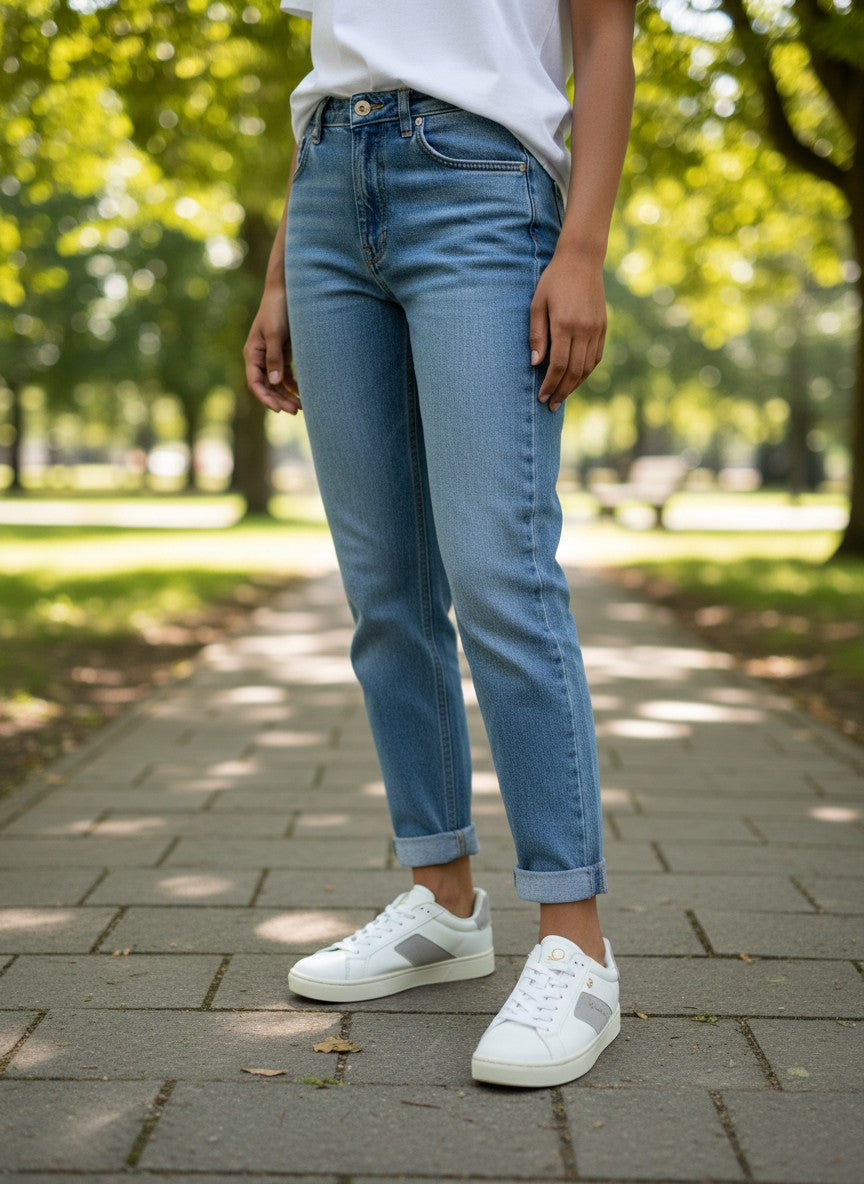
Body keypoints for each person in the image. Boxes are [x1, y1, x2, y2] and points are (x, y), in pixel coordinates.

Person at [243, 0, 636, 1088]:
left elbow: (606, 35)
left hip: (478, 179)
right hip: (325, 186)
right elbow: (339, 61)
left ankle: (577, 943)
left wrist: (585, 245)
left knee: (498, 573)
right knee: (386, 593)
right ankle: (445, 901)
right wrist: (280, 273)